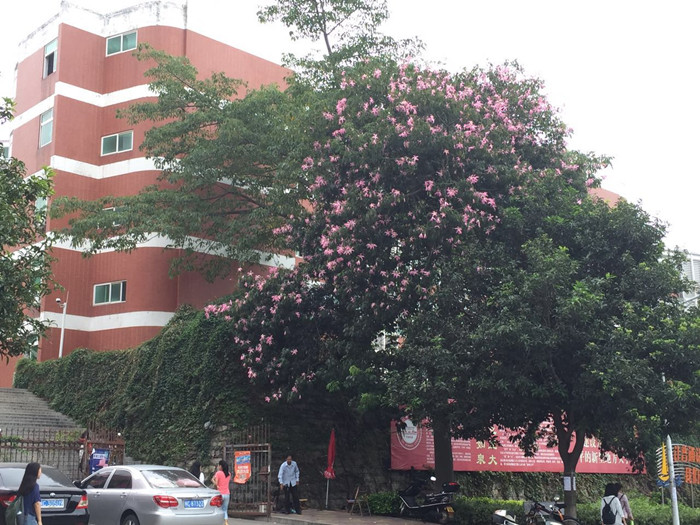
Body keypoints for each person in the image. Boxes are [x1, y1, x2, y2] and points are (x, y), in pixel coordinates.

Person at [212, 460, 231, 525]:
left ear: (221, 466)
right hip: (227, 493)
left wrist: (212, 480)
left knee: (218, 509)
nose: (218, 466)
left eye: (218, 465)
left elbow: (216, 484)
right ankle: (226, 522)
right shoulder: (229, 474)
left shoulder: (218, 473)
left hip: (220, 493)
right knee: (225, 509)